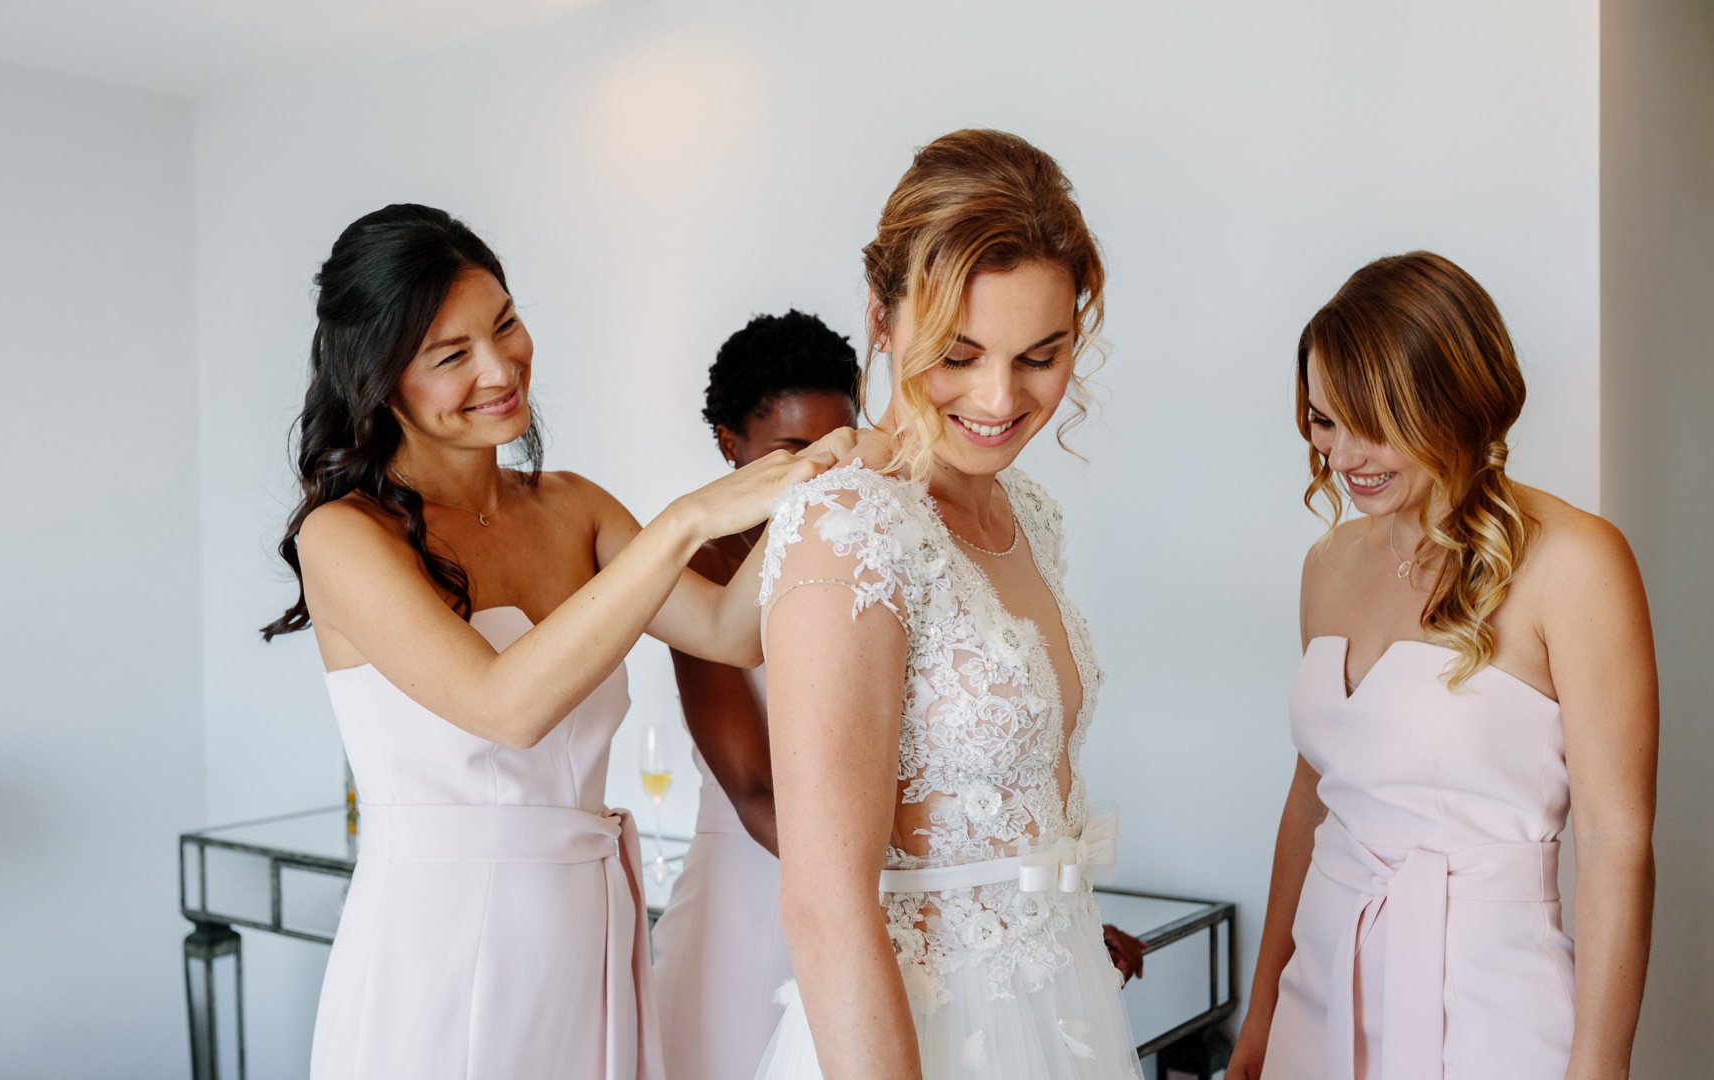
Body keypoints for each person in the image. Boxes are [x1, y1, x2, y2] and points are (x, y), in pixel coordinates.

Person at [259, 204, 849, 1080]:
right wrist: (686, 520)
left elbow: (729, 633)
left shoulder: (573, 506)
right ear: (377, 379)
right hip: (440, 945)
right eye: (452, 356)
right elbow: (506, 707)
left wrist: (825, 474)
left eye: (504, 325)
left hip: (590, 932)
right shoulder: (343, 537)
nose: (501, 369)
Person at [754, 129, 1141, 1080]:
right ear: (881, 320)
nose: (999, 399)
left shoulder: (1027, 513)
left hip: (1057, 1009)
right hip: (925, 1030)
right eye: (957, 354)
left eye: (1041, 356)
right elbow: (824, 903)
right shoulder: (847, 524)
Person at [1225, 252, 1657, 1080]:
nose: (1345, 455)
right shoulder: (1329, 563)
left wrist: (1600, 1070)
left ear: (1452, 398)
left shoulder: (1576, 561)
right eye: (1322, 420)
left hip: (1490, 1003)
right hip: (1321, 979)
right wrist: (1265, 1008)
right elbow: (1311, 796)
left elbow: (1616, 844)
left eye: (1372, 420)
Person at [651, 310, 861, 1080]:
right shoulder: (698, 574)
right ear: (728, 444)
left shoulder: (871, 548)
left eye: (842, 447)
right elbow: (755, 788)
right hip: (750, 905)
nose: (824, 475)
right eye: (794, 453)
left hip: (869, 895)